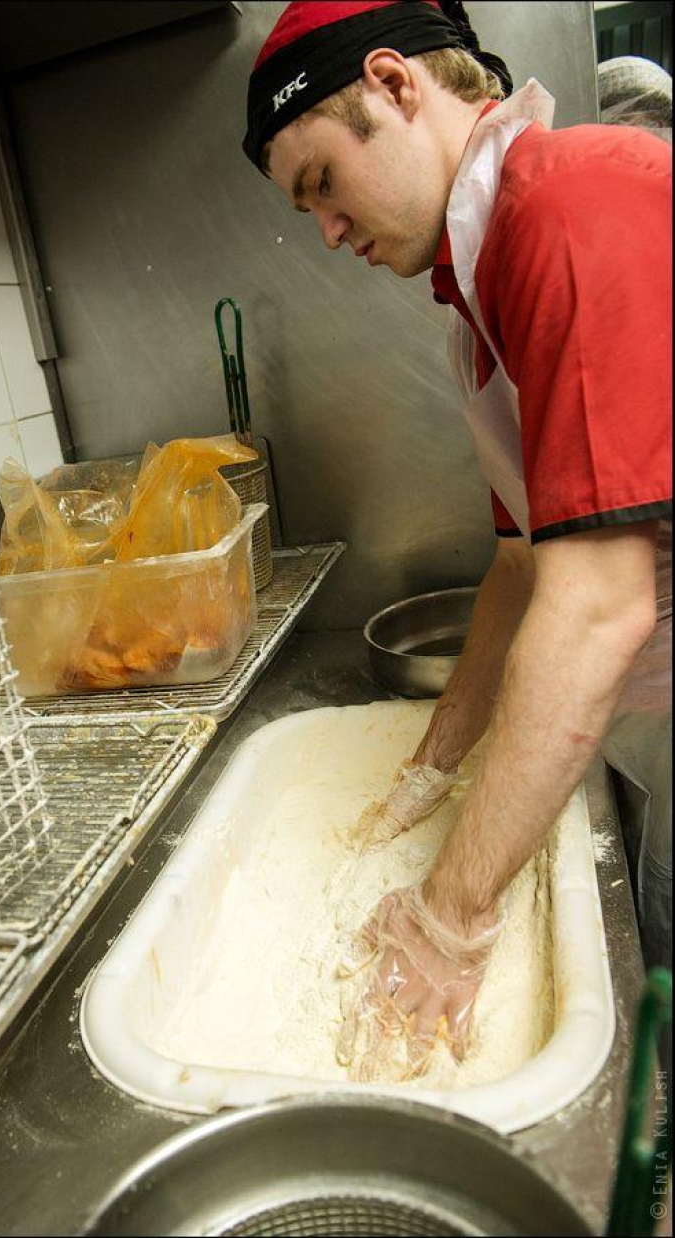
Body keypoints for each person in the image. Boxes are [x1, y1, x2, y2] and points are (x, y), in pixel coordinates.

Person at [242, 0, 672, 1080]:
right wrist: (430, 773)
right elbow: (524, 572)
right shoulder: (473, 305)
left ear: (394, 86)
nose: (327, 233)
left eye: (322, 185)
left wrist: (446, 920)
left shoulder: (565, 202)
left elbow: (597, 605)